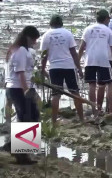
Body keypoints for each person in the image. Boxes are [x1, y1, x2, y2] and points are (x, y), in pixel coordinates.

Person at [3, 26, 40, 164]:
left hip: (17, 88)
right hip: (20, 88)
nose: (35, 42)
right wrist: (27, 90)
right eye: (34, 39)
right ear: (27, 37)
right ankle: (21, 155)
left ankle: (14, 146)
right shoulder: (21, 50)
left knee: (31, 116)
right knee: (27, 118)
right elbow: (20, 72)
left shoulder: (16, 49)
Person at [40, 15, 84, 124]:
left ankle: (54, 121)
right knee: (75, 92)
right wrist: (79, 68)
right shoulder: (67, 34)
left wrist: (43, 69)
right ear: (61, 24)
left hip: (54, 68)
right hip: (69, 66)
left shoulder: (46, 35)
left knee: (56, 95)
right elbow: (74, 53)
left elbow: (44, 55)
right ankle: (82, 118)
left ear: (51, 24)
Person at [79, 9, 112, 116]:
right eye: (108, 20)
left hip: (90, 59)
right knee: (111, 83)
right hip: (104, 60)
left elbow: (82, 47)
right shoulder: (108, 31)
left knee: (92, 84)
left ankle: (95, 110)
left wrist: (77, 63)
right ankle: (111, 109)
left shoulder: (88, 29)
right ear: (106, 19)